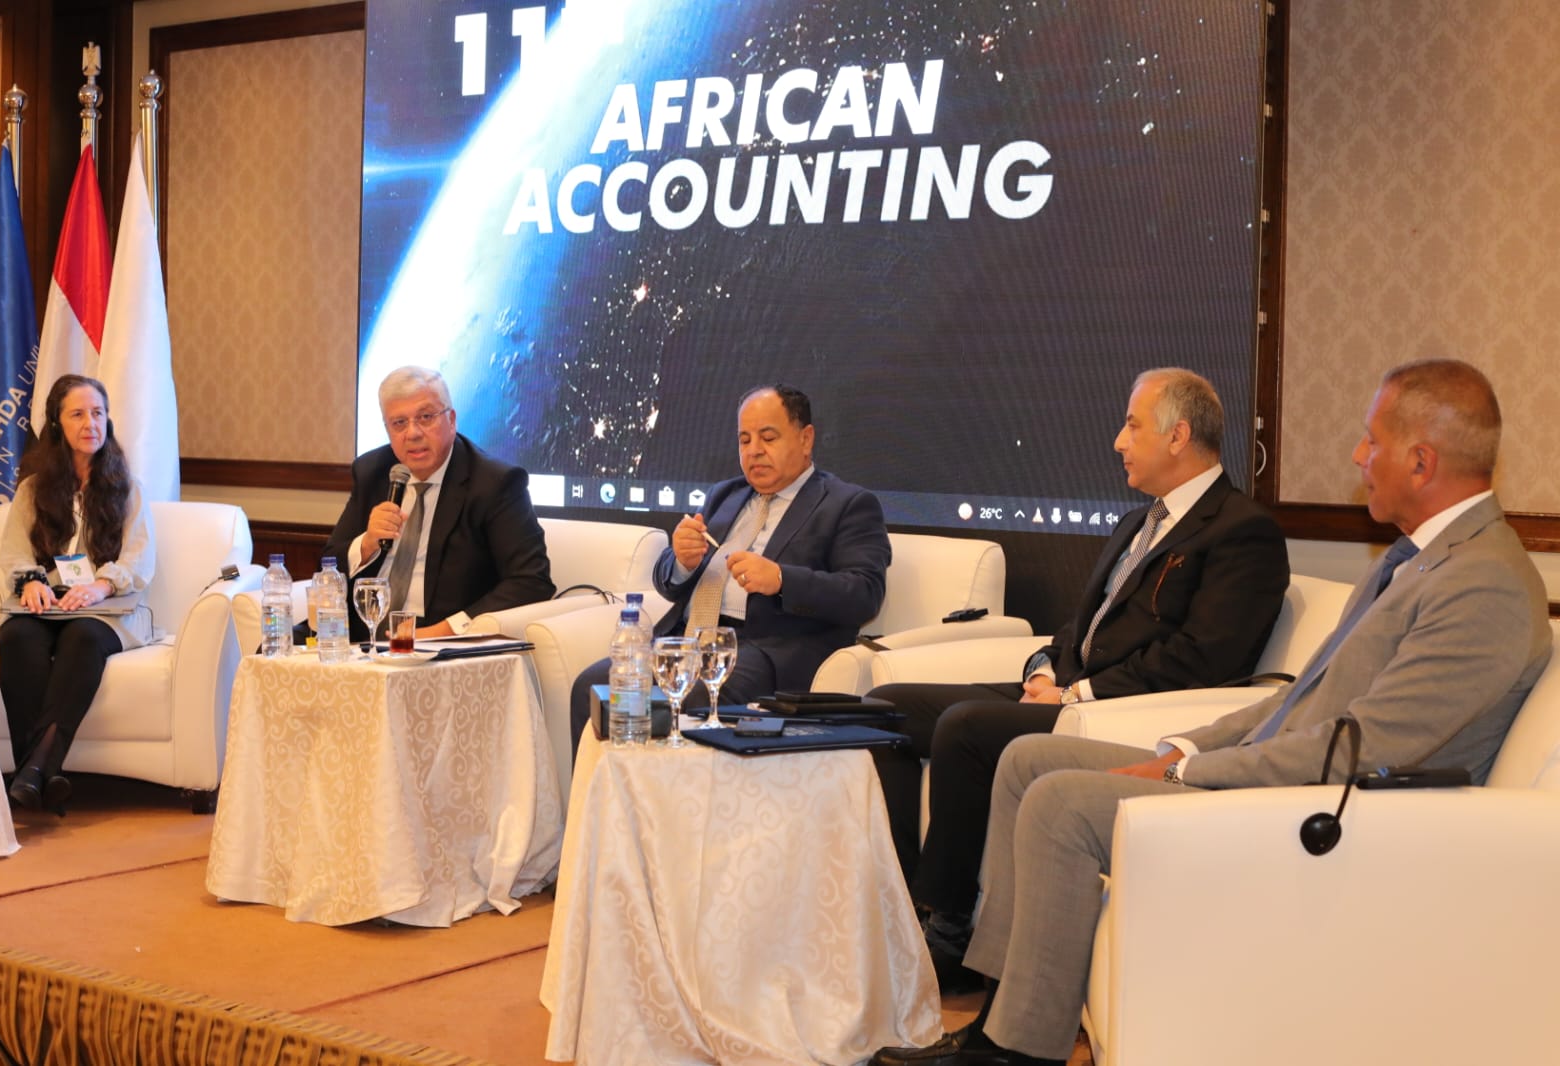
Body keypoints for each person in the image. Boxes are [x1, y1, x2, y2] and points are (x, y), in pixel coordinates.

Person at [873, 358, 1550, 1066]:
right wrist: (1187, 747)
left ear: (1421, 461)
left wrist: (1190, 773)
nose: (1358, 456)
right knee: (1026, 760)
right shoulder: (1414, 560)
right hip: (1284, 772)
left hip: (1325, 811)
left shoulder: (1483, 584)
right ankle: (1006, 1017)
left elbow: (1362, 750)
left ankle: (1016, 1052)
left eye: (1371, 440)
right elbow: (1297, 699)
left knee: (1061, 803)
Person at [870, 368, 1288, 986]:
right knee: (885, 708)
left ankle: (950, 936)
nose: (1119, 441)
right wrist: (1045, 669)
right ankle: (904, 908)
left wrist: (1075, 694)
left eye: (1132, 426)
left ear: (1178, 436)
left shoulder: (1242, 531)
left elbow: (1204, 659)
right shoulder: (1137, 522)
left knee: (964, 727)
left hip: (1118, 712)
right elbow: (1081, 626)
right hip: (1066, 691)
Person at [569, 384, 891, 745]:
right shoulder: (725, 495)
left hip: (761, 650)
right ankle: (613, 784)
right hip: (685, 642)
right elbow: (667, 580)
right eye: (744, 440)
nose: (754, 450)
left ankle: (665, 783)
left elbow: (865, 593)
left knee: (680, 702)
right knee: (591, 686)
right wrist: (682, 561)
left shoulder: (847, 504)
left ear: (805, 439)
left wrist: (781, 579)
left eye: (768, 437)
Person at [0, 374, 156, 815]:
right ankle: (42, 777)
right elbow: (13, 551)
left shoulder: (127, 487)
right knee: (17, 637)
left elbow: (140, 558)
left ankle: (31, 772)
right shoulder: (33, 489)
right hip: (47, 604)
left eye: (98, 413)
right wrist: (31, 581)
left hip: (106, 608)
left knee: (83, 637)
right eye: (78, 414)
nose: (91, 424)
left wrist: (100, 585)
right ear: (56, 424)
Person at [323, 365, 554, 640]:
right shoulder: (372, 471)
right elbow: (327, 565)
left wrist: (444, 631)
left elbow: (532, 581)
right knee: (278, 644)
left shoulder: (494, 483)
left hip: (440, 637)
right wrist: (367, 543)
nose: (413, 433)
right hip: (362, 633)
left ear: (451, 420)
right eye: (399, 423)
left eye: (425, 417)